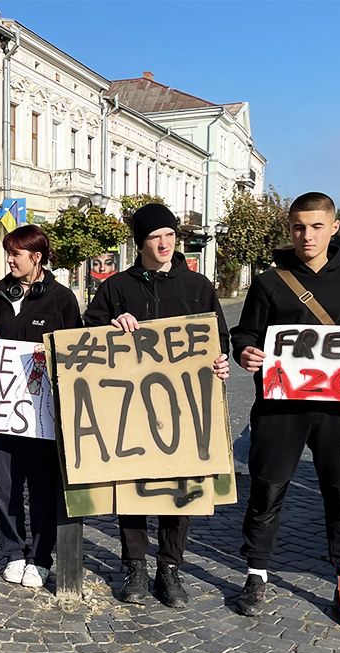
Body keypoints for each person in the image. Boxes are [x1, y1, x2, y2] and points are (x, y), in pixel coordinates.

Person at [229, 192, 340, 623]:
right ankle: (256, 573)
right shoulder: (271, 280)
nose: (307, 235)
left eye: (316, 226)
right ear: (289, 229)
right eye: (298, 227)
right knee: (267, 489)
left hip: (339, 409)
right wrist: (246, 351)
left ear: (333, 226)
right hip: (280, 406)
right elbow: (246, 333)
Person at [82, 204, 231, 607]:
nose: (164, 243)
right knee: (132, 486)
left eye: (169, 235)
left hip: (183, 406)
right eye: (154, 237)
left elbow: (219, 339)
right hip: (130, 406)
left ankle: (170, 568)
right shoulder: (116, 287)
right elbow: (87, 334)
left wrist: (220, 359)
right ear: (141, 242)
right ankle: (135, 566)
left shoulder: (198, 286)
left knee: (179, 488)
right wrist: (109, 327)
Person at [0, 225, 81, 588]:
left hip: (42, 417)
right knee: (4, 485)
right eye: (8, 253)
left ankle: (40, 555)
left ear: (36, 258)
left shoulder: (62, 300)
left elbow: (75, 352)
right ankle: (13, 552)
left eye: (15, 254)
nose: (9, 260)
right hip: (1, 412)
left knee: (41, 487)